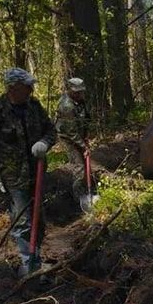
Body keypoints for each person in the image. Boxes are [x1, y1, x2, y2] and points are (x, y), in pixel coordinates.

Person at [0, 68, 57, 277]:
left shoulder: (34, 107)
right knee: (22, 221)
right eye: (27, 86)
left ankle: (36, 257)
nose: (31, 89)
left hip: (37, 173)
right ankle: (28, 263)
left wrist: (44, 142)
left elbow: (51, 131)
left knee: (38, 219)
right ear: (14, 88)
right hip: (13, 177)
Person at [56, 78, 94, 211]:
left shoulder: (80, 101)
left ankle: (89, 190)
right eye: (77, 93)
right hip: (69, 138)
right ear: (70, 91)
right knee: (79, 168)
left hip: (80, 135)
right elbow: (71, 132)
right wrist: (84, 147)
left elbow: (87, 118)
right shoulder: (67, 106)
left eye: (81, 92)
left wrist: (87, 135)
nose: (80, 95)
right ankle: (78, 200)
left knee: (87, 165)